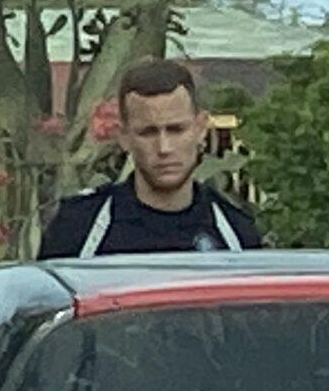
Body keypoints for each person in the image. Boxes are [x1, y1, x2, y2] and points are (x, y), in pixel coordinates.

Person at [37, 58, 263, 257]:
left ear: (201, 128)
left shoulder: (236, 233)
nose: (164, 147)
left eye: (176, 130)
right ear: (124, 137)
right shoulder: (77, 227)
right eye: (148, 132)